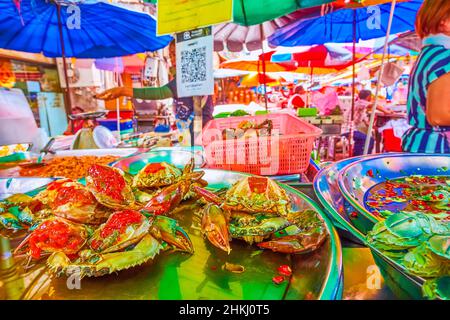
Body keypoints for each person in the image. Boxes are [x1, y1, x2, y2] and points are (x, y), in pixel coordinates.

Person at [96, 41, 214, 146]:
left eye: (175, 54)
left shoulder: (190, 77)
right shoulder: (184, 77)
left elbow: (160, 92)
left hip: (200, 139)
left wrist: (123, 91)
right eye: (171, 55)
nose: (172, 59)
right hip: (192, 137)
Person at [401, 0, 450, 153]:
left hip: (422, 147)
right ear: (445, 22)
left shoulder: (429, 53)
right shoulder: (445, 57)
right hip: (438, 152)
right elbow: (438, 116)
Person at [344, 89, 392, 156]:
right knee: (369, 140)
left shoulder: (360, 107)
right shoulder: (360, 103)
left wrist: (377, 128)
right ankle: (366, 157)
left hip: (350, 129)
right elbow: (373, 105)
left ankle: (357, 156)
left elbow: (367, 122)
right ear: (368, 97)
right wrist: (387, 112)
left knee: (361, 140)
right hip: (349, 129)